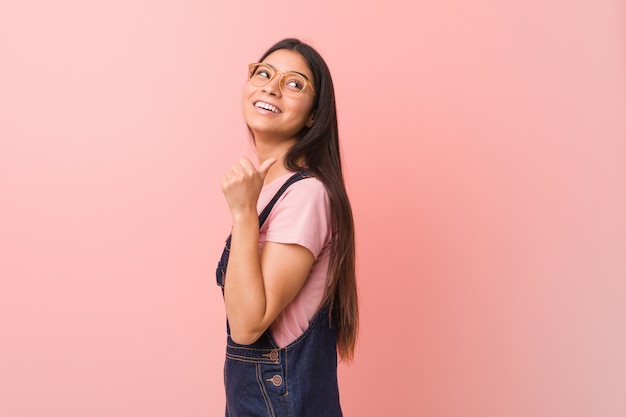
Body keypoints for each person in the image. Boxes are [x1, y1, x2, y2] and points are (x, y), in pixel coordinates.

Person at [216, 38, 358, 417]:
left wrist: (244, 214)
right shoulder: (270, 191)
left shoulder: (306, 194)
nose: (271, 86)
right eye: (263, 73)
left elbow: (246, 326)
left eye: (294, 83)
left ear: (314, 115)